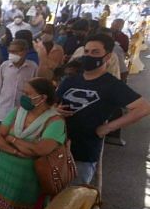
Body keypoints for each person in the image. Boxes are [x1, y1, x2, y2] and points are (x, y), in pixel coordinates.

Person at [55, 33, 150, 185]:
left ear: (107, 56)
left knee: (69, 198)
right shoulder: (71, 80)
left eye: (95, 52)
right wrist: (56, 110)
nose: (88, 56)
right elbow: (53, 103)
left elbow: (143, 108)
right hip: (56, 147)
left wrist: (107, 128)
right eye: (86, 52)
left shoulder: (112, 85)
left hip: (83, 153)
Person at [0, 78, 65, 209]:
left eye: (28, 94)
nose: (23, 96)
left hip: (27, 181)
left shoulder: (55, 121)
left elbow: (39, 150)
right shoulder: (17, 112)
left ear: (42, 98)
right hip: (3, 175)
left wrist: (12, 139)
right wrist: (17, 151)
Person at [0, 39, 39, 122]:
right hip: (2, 111)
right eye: (10, 52)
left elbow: (35, 91)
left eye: (15, 52)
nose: (11, 55)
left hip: (21, 113)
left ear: (25, 52)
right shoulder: (4, 66)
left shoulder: (32, 67)